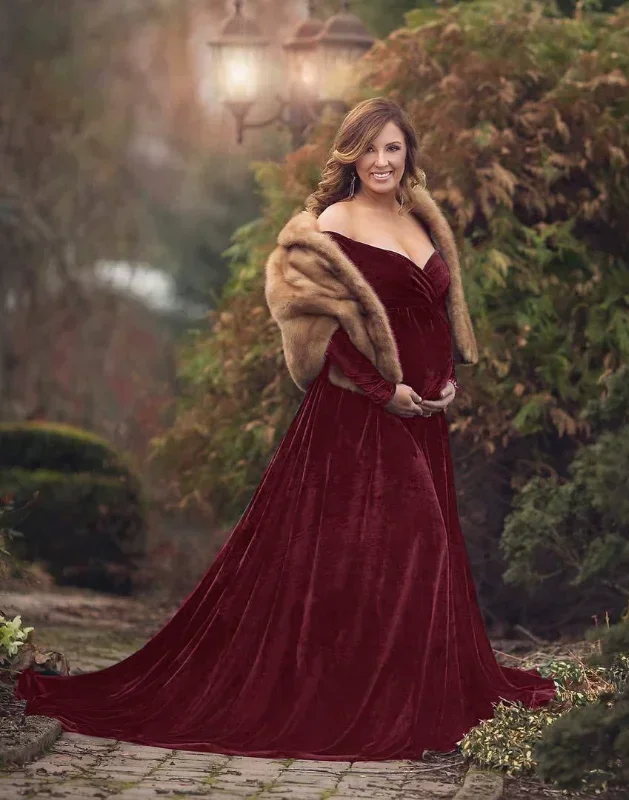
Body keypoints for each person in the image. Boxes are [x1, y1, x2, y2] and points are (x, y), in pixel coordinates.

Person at [15, 97, 554, 761]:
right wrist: (386, 390)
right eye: (370, 148)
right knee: (410, 542)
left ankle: (404, 683)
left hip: (421, 420)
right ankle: (368, 697)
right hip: (358, 420)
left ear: (408, 151)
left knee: (407, 553)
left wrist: (443, 381)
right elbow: (312, 326)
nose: (383, 160)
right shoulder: (330, 221)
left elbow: (434, 310)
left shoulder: (420, 215)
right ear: (349, 154)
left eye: (394, 147)